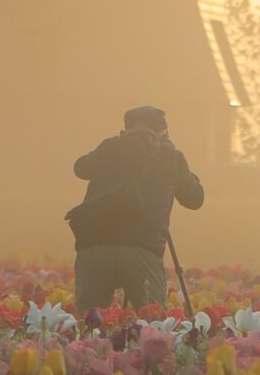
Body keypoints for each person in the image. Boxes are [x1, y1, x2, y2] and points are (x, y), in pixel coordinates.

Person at [66, 104, 204, 315]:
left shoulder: (109, 148)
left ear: (126, 129)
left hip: (95, 247)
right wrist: (178, 162)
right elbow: (195, 199)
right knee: (153, 327)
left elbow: (80, 168)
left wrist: (116, 147)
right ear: (164, 132)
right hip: (143, 252)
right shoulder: (171, 158)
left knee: (90, 325)